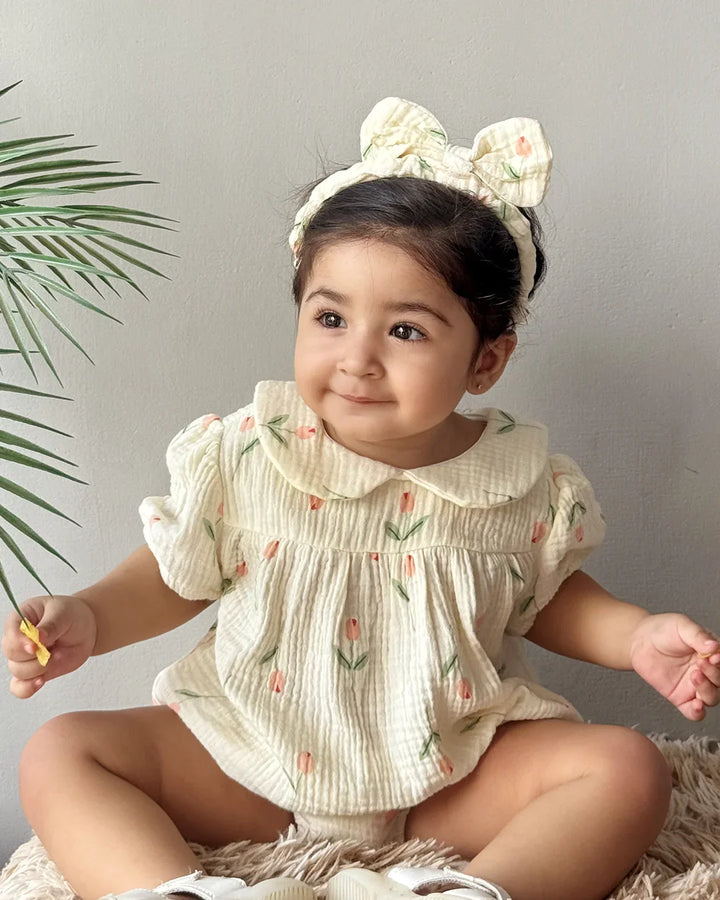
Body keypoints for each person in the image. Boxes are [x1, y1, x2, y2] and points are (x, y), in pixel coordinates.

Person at [3, 97, 719, 900]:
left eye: (405, 331)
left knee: (629, 768)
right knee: (62, 752)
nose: (358, 359)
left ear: (486, 361)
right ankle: (168, 891)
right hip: (252, 757)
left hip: (451, 770)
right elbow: (175, 573)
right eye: (332, 317)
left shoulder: (521, 479)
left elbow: (546, 599)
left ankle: (476, 891)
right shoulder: (248, 451)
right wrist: (91, 616)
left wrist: (637, 636)